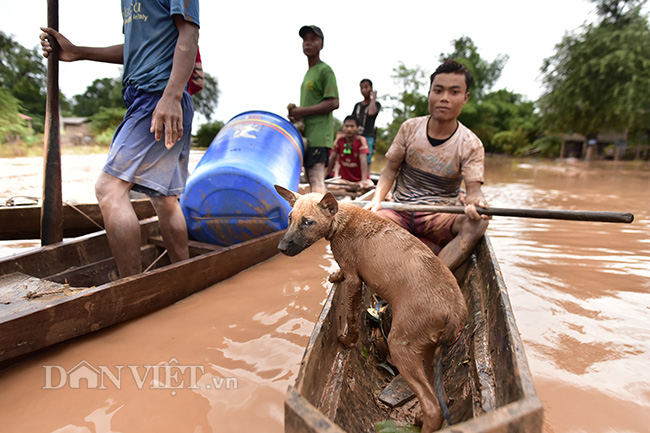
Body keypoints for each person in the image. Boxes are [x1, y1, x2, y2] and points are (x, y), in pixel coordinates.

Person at [40, 1, 200, 278]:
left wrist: (172, 96)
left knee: (109, 189)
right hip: (147, 97)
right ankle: (184, 275)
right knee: (165, 199)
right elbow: (136, 49)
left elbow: (189, 34)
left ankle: (131, 285)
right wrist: (79, 52)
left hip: (158, 95)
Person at [366, 60, 490, 272]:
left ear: (465, 98)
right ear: (429, 93)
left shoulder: (471, 143)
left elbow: (474, 191)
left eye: (454, 92)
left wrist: (477, 203)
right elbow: (390, 170)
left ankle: (436, 274)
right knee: (367, 221)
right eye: (438, 90)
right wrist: (377, 200)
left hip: (438, 217)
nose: (444, 98)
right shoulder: (410, 128)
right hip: (400, 211)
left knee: (478, 224)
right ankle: (426, 250)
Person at [288, 25, 339, 194]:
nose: (307, 43)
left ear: (321, 45)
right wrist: (297, 116)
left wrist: (302, 111)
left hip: (319, 136)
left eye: (313, 39)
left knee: (317, 178)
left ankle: (326, 219)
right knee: (310, 178)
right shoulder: (309, 73)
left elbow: (334, 102)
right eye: (305, 40)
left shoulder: (325, 70)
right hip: (307, 135)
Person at [326, 116, 373, 189]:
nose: (349, 129)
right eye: (347, 126)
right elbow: (332, 158)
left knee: (369, 186)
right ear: (343, 127)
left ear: (357, 128)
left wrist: (364, 180)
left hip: (359, 181)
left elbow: (363, 160)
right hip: (345, 181)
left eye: (352, 126)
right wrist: (323, 176)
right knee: (331, 186)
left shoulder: (361, 140)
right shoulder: (340, 140)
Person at [351, 78, 381, 166]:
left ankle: (365, 178)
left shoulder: (376, 104)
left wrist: (373, 98)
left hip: (368, 137)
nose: (363, 90)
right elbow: (352, 120)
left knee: (366, 161)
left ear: (371, 88)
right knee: (354, 159)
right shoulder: (358, 105)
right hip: (356, 136)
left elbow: (371, 112)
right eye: (361, 88)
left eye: (366, 87)